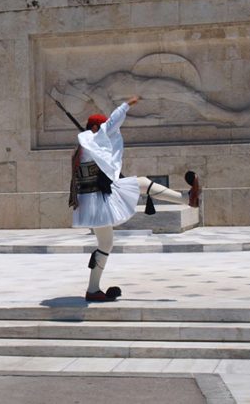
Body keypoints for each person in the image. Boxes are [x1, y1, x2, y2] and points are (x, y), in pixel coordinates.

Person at [69, 95, 201, 302]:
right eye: (101, 128)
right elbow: (111, 124)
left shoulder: (86, 145)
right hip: (97, 202)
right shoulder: (91, 140)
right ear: (96, 128)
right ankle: (92, 290)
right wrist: (126, 105)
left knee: (139, 185)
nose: (109, 133)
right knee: (105, 244)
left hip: (96, 199)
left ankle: (188, 198)